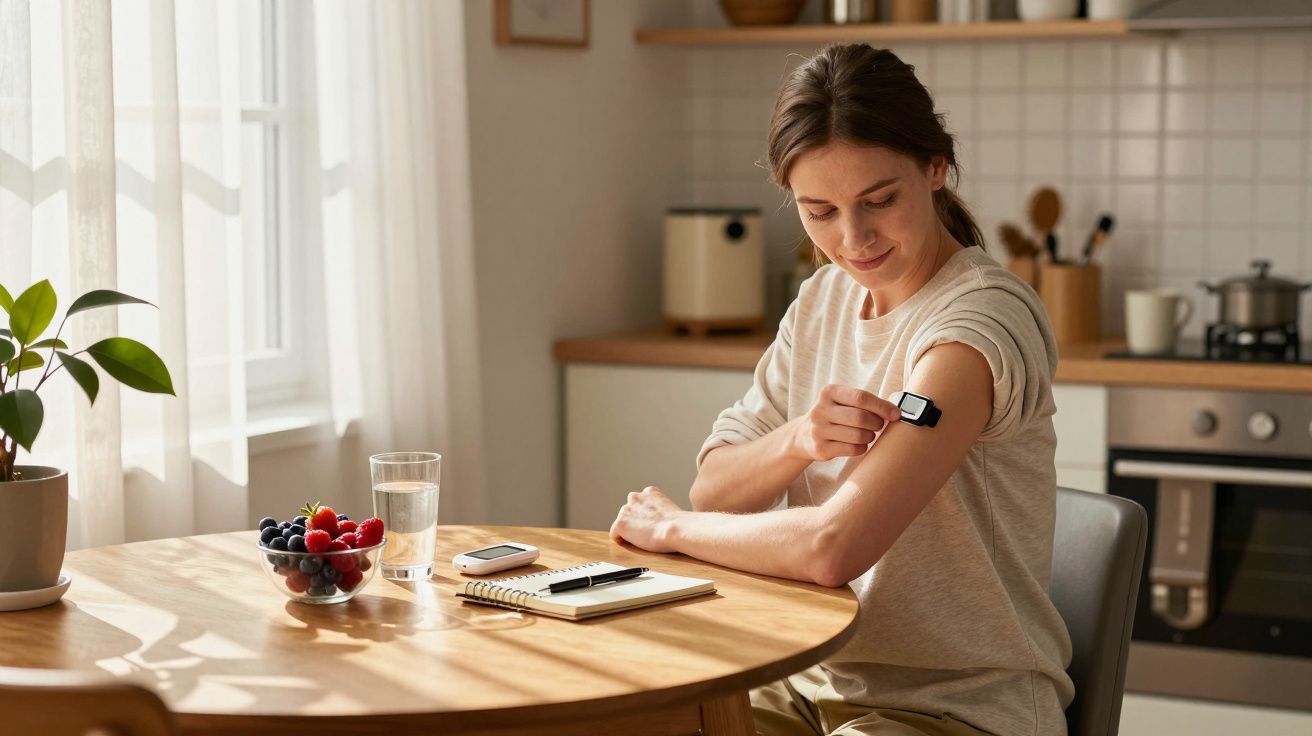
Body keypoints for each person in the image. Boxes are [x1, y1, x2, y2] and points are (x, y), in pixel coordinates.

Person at [609, 43, 1073, 736]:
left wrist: (672, 530)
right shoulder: (824, 297)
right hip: (805, 682)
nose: (852, 239)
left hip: (958, 709)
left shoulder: (975, 327)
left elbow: (832, 546)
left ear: (936, 166)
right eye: (819, 211)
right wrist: (797, 439)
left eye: (878, 200)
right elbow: (717, 486)